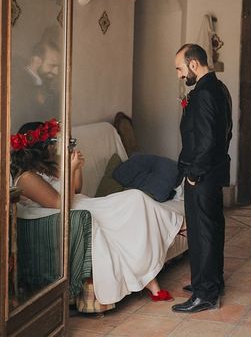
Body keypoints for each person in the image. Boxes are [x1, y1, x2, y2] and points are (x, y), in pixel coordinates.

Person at [10, 120, 180, 304]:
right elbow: (58, 202)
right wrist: (71, 168)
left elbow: (75, 189)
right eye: (52, 143)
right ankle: (173, 230)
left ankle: (151, 273)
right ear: (39, 146)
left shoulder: (46, 168)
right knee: (134, 200)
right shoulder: (26, 177)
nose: (54, 146)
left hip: (81, 203)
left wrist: (76, 168)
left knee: (136, 198)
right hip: (69, 212)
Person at [171, 43, 232, 313]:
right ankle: (211, 281)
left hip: (202, 174)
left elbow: (207, 140)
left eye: (180, 69)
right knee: (212, 228)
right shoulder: (219, 88)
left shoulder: (205, 94)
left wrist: (194, 173)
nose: (179, 75)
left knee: (201, 233)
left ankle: (204, 294)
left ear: (194, 64)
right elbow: (225, 134)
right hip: (214, 171)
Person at [11, 40, 61, 131]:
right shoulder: (19, 83)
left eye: (58, 67)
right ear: (37, 61)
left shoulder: (50, 87)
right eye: (52, 66)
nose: (56, 72)